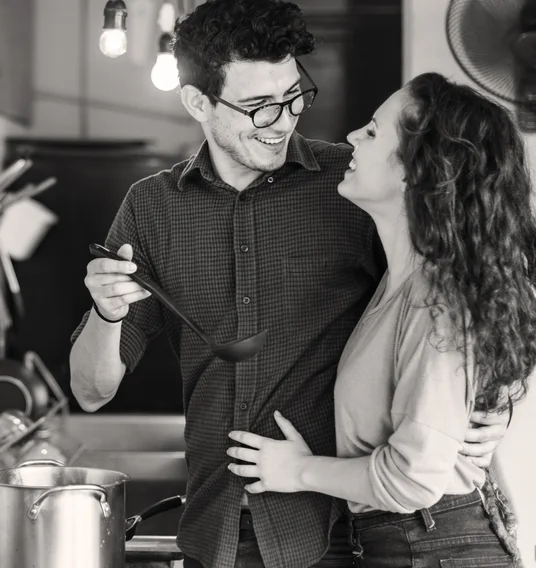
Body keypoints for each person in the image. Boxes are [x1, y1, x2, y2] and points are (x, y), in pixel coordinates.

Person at [69, 2, 510, 566]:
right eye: (258, 107)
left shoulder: (353, 186)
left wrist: (497, 399)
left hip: (344, 531)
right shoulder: (151, 208)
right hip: (218, 532)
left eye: (293, 95)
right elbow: (90, 390)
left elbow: (472, 280)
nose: (282, 120)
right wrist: (107, 314)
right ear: (197, 102)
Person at [227, 72, 535, 567]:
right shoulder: (400, 284)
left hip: (430, 545)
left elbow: (412, 478)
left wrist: (299, 472)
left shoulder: (435, 298)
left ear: (415, 171)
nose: (352, 136)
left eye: (372, 131)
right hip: (415, 542)